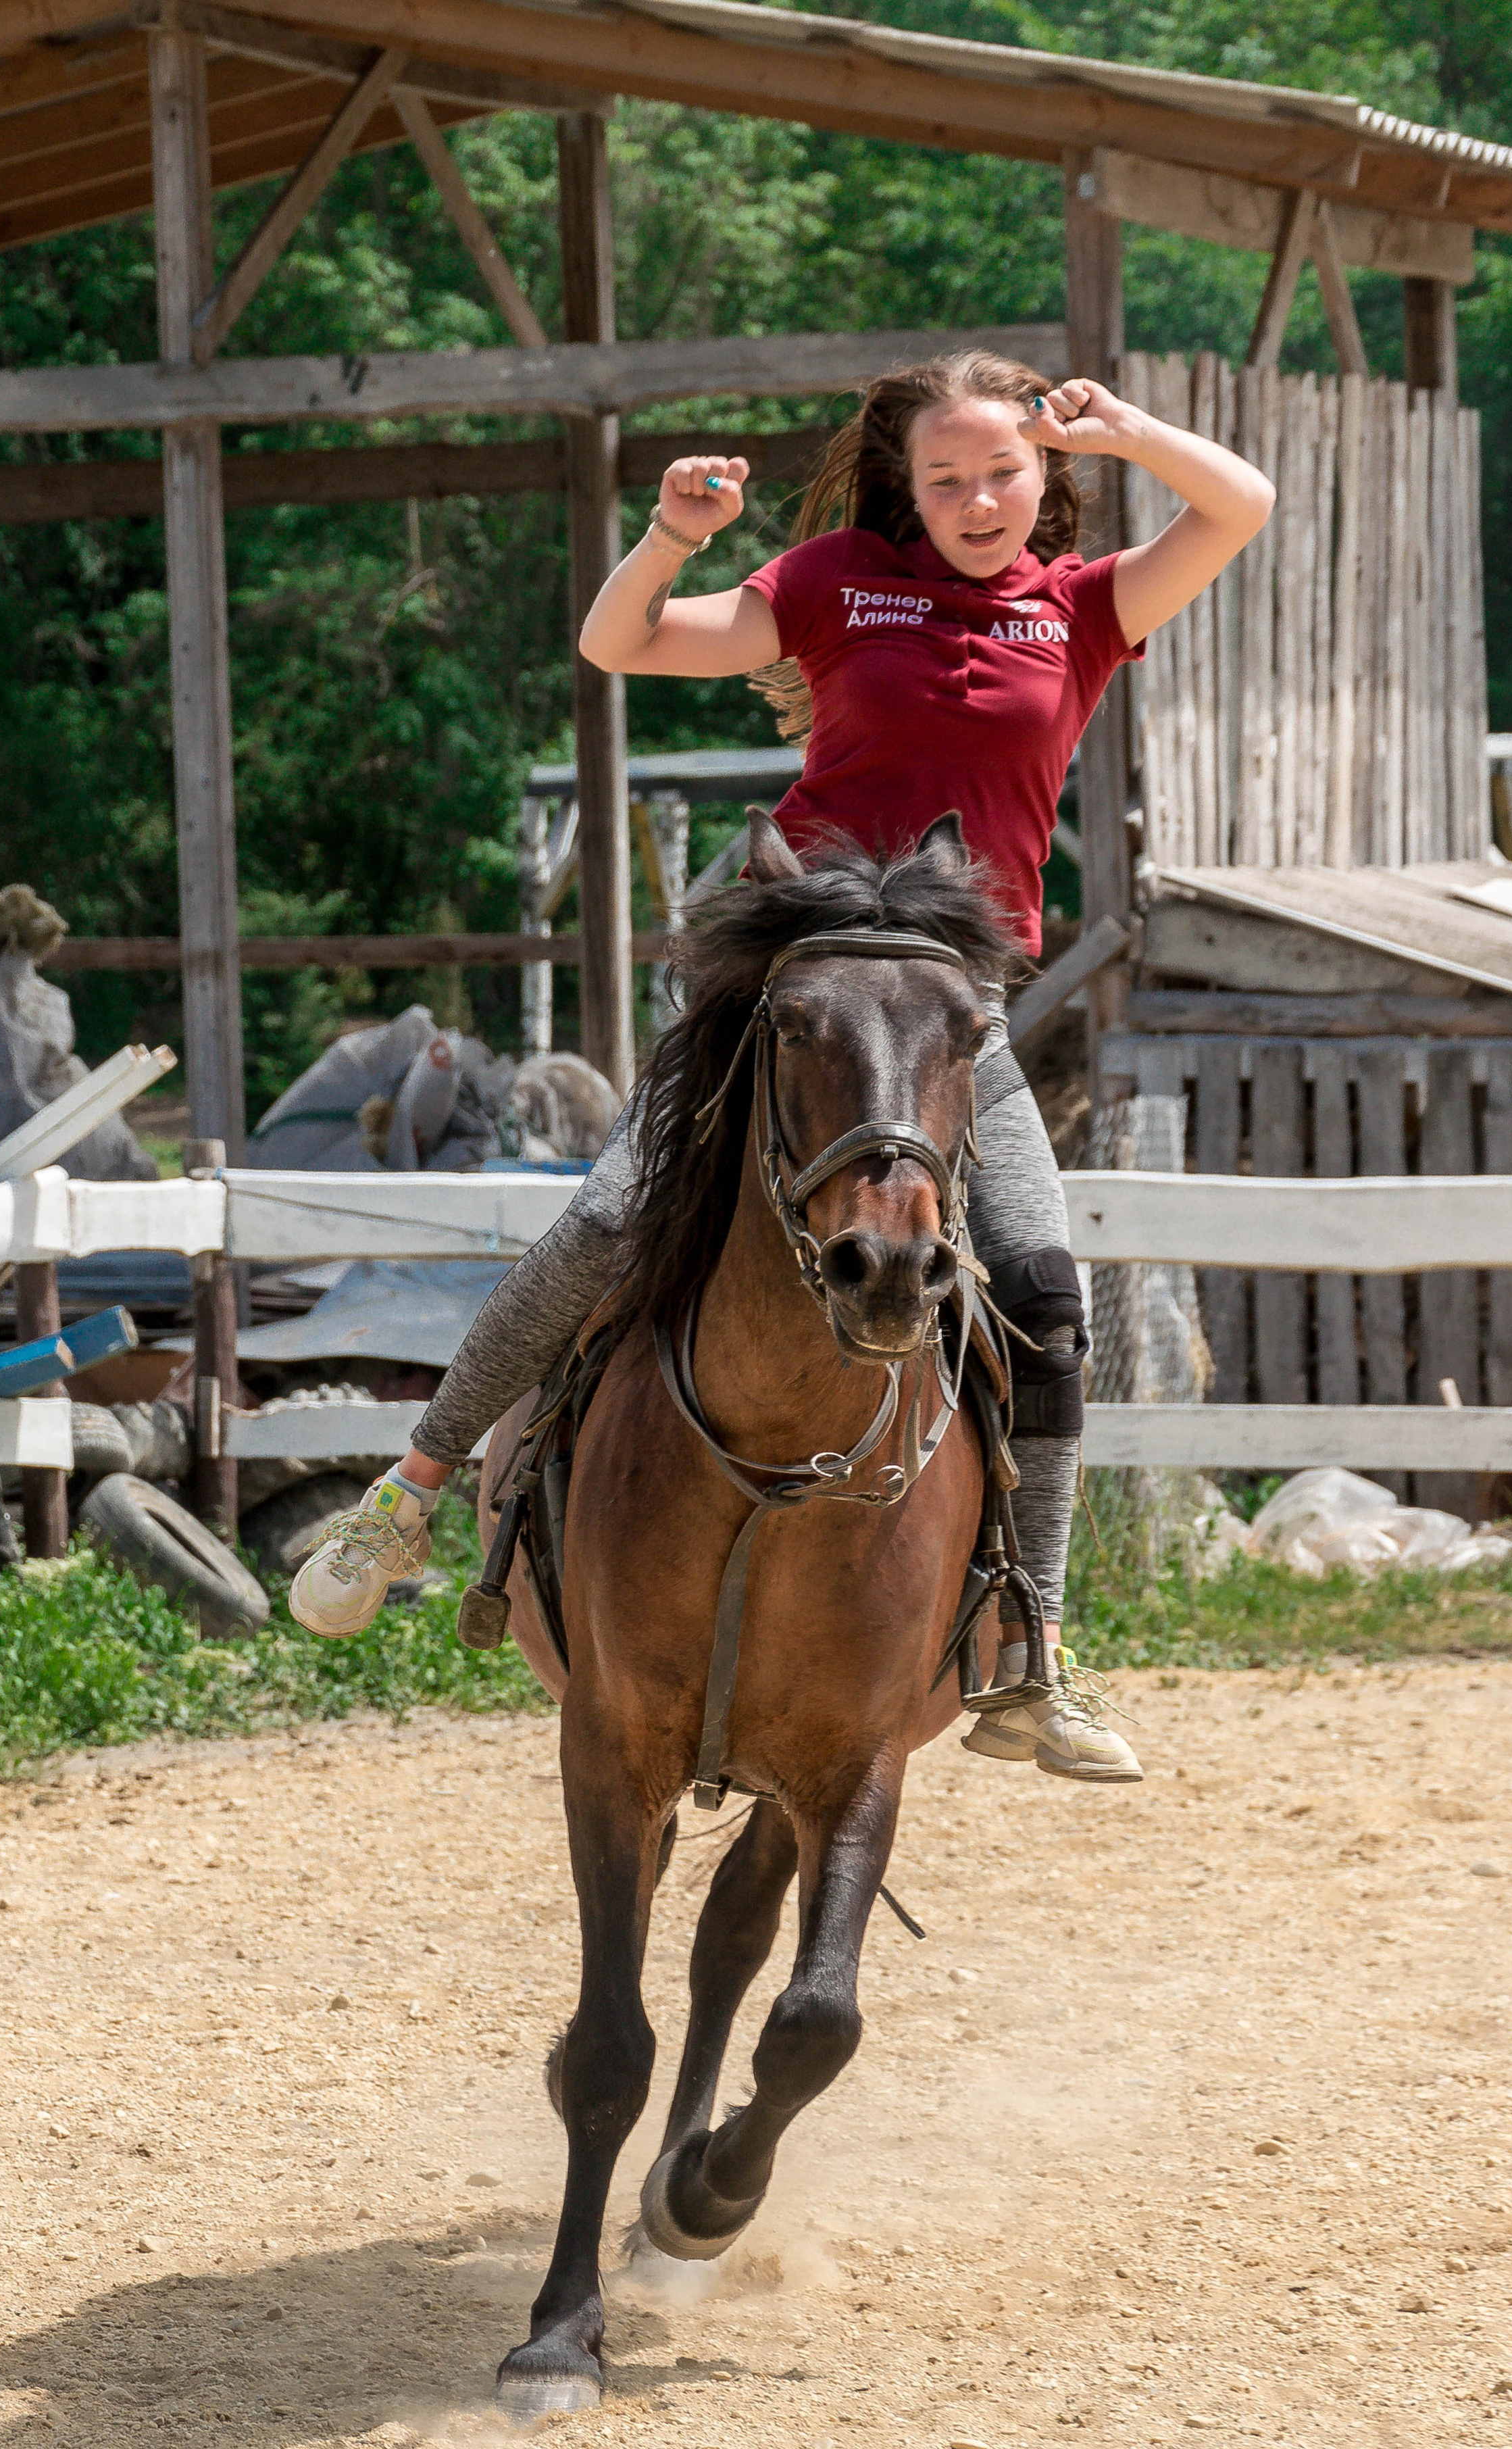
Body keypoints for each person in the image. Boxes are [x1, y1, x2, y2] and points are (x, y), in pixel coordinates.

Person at [291, 348, 1273, 1781]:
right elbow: (622, 644)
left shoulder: (1082, 609)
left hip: (949, 1022)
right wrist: (670, 538)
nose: (977, 498)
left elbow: (1239, 504)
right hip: (786, 994)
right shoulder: (829, 584)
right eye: (944, 477)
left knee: (1045, 1287)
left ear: (1044, 476)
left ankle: (1028, 1647)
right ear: (904, 484)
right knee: (612, 1217)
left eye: (1002, 471)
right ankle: (413, 1490)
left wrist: (1122, 426)